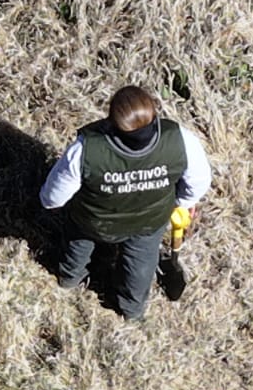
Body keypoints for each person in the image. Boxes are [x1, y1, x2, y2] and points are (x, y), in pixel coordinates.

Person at [40, 85, 212, 321]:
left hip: (93, 223)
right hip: (149, 224)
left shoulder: (86, 149)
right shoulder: (181, 140)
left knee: (78, 245)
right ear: (155, 114)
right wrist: (182, 203)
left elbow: (52, 199)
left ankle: (69, 278)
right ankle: (132, 310)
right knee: (140, 267)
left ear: (112, 120)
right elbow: (199, 181)